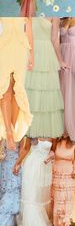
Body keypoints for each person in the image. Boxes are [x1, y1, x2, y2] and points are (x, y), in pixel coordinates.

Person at [0, 18, 33, 149]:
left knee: (17, 91)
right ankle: (8, 131)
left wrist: (32, 56)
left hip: (21, 47)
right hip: (4, 46)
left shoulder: (26, 1)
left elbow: (29, 29)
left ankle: (11, 130)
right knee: (5, 89)